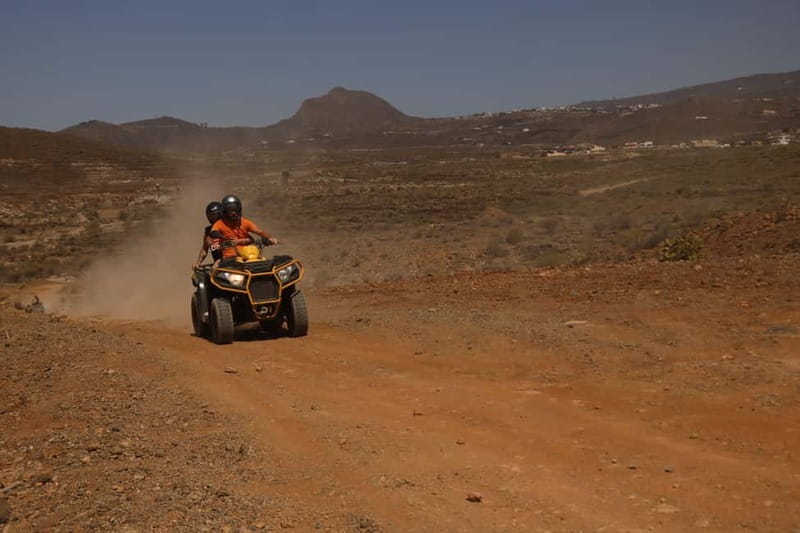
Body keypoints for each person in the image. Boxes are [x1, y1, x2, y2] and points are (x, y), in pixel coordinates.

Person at [210, 194, 279, 260]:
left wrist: (270, 238)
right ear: (225, 211)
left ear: (239, 209)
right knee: (220, 268)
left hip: (249, 256)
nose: (234, 213)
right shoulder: (220, 223)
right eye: (230, 210)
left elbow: (258, 231)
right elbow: (213, 231)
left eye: (235, 209)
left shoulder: (245, 222)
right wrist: (219, 235)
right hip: (230, 258)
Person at [193, 201, 224, 269]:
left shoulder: (228, 227)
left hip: (231, 262)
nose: (214, 219)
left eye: (216, 216)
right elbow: (204, 249)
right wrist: (198, 263)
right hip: (217, 267)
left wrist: (220, 261)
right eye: (212, 217)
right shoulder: (208, 231)